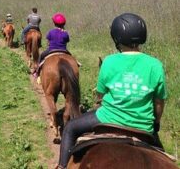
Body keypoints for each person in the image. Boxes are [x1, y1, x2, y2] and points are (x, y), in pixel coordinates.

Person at [57, 13, 167, 169]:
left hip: (106, 118)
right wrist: (155, 123)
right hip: (143, 126)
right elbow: (159, 103)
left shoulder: (109, 61)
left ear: (117, 38)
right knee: (162, 156)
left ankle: (61, 166)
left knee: (70, 128)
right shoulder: (155, 65)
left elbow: (100, 96)